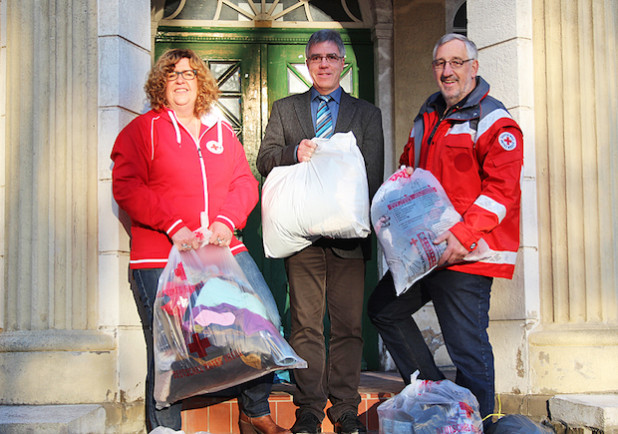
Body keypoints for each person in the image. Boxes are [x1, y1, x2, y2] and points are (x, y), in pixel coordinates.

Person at [111, 48, 290, 434]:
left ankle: (254, 410)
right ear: (161, 83)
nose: (181, 79)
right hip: (161, 255)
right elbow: (127, 187)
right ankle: (166, 428)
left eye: (190, 74)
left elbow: (244, 181)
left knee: (263, 324)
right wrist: (173, 225)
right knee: (169, 346)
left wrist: (227, 220)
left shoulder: (220, 132)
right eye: (172, 73)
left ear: (201, 84)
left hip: (221, 250)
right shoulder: (142, 131)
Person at [368, 33, 523, 429]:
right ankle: (441, 402)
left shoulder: (494, 121)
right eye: (440, 63)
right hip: (426, 255)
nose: (447, 71)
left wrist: (463, 236)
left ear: (474, 67)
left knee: (467, 350)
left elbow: (501, 192)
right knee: (384, 310)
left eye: (456, 62)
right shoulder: (429, 114)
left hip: (467, 256)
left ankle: (482, 424)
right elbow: (411, 165)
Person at [256, 30, 384, 434]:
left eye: (331, 56)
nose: (324, 64)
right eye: (316, 58)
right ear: (307, 64)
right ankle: (309, 407)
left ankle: (344, 406)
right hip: (302, 237)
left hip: (349, 239)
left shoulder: (367, 114)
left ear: (343, 62)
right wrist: (294, 153)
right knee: (305, 324)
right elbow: (264, 160)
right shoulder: (285, 109)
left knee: (347, 325)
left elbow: (374, 175)